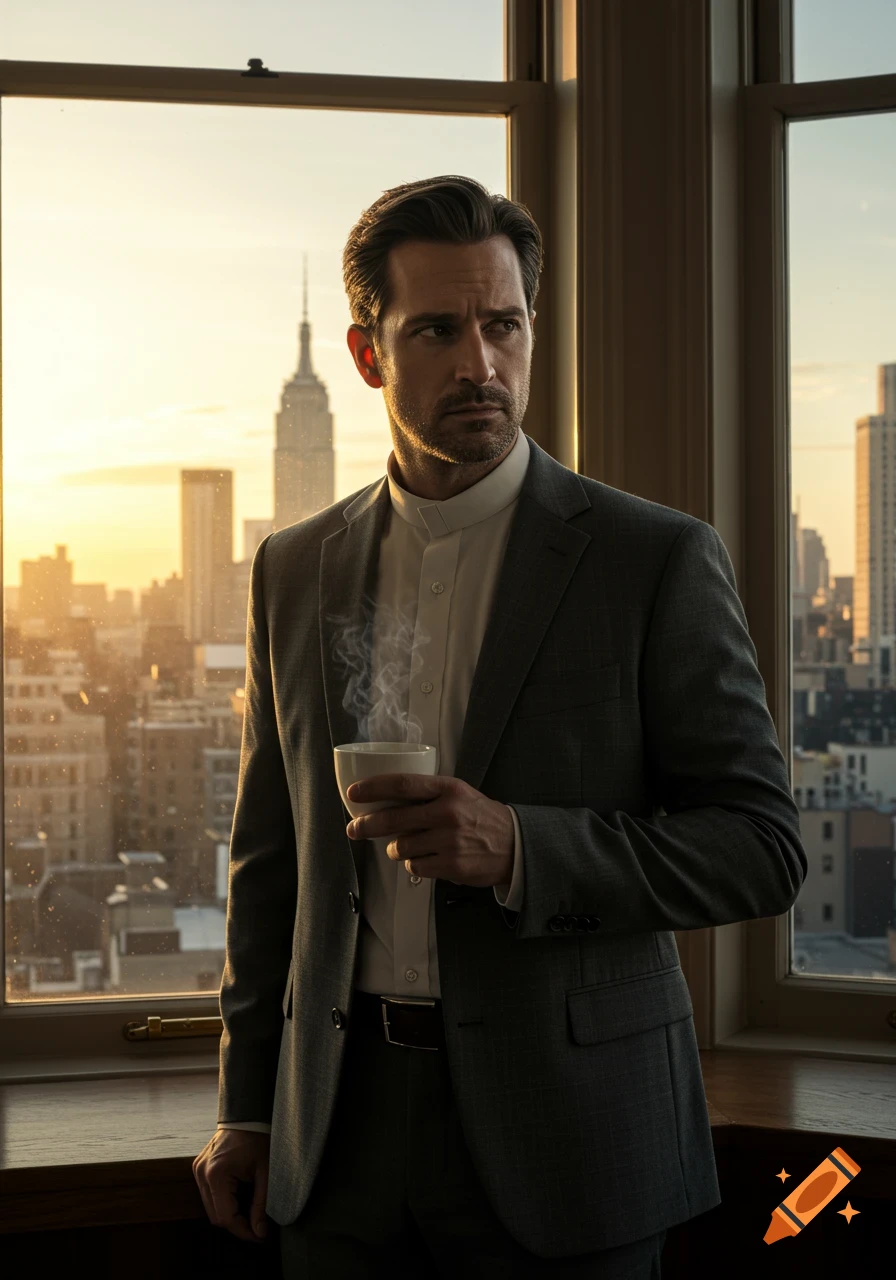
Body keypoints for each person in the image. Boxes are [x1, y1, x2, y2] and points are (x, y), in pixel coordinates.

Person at [193, 175, 806, 1278]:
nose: (478, 363)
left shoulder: (650, 558)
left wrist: (521, 847)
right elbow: (268, 863)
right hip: (335, 1143)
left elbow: (759, 849)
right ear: (369, 352)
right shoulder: (294, 569)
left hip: (572, 1139)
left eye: (503, 324)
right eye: (435, 329)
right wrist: (247, 1105)